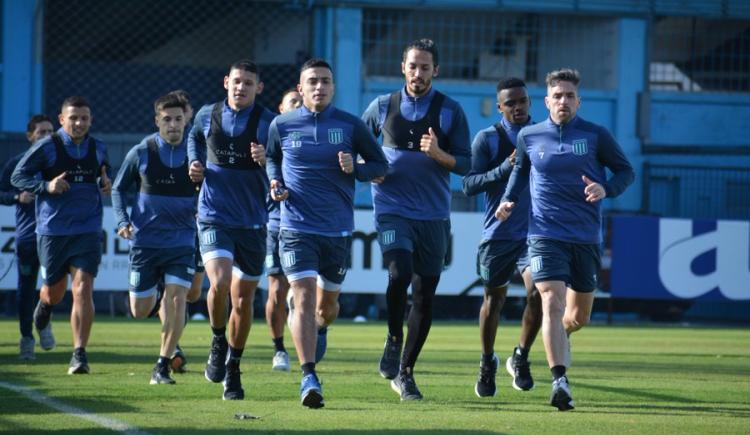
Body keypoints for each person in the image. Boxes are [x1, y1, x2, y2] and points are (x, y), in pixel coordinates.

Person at [496, 68, 634, 411]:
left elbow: (626, 171)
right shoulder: (529, 136)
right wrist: (508, 200)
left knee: (576, 318)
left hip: (585, 237)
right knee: (551, 303)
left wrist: (606, 188)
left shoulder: (596, 135)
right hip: (544, 234)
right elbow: (520, 171)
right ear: (546, 101)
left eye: (569, 96)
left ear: (578, 101)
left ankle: (527, 351)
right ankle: (560, 382)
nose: (563, 101)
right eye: (557, 96)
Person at [267, 58, 387, 408]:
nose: (319, 87)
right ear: (300, 88)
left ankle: (319, 328)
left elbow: (381, 165)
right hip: (295, 227)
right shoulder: (282, 124)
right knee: (302, 296)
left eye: (325, 81)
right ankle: (308, 375)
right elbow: (273, 158)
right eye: (312, 81)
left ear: (333, 87)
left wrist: (358, 169)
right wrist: (275, 181)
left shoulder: (350, 126)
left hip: (336, 231)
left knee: (326, 306)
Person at [362, 38, 471, 400]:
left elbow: (468, 164)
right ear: (402, 68)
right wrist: (369, 169)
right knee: (399, 273)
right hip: (393, 210)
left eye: (425, 67)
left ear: (435, 71)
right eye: (413, 66)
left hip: (434, 216)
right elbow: (354, 149)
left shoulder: (450, 111)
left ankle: (405, 372)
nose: (418, 73)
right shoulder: (381, 107)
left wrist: (440, 154)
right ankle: (394, 337)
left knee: (425, 297)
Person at [188, 59, 275, 400]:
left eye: (248, 83)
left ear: (259, 88)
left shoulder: (269, 123)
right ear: (226, 82)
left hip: (253, 220)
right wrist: (194, 163)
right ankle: (216, 339)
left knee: (244, 298)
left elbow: (281, 161)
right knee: (221, 281)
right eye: (237, 81)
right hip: (213, 215)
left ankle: (234, 367)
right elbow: (194, 138)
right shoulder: (206, 115)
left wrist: (267, 158)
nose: (241, 88)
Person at [12, 96, 111, 375]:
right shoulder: (47, 147)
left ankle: (79, 354)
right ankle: (44, 305)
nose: (79, 123)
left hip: (88, 228)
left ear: (91, 120)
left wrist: (106, 180)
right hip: (53, 230)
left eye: (84, 118)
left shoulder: (99, 147)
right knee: (54, 292)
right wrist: (46, 185)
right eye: (73, 118)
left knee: (83, 286)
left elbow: (105, 169)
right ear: (62, 119)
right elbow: (18, 177)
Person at [462, 78, 542, 397]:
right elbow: (468, 185)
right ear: (500, 107)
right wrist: (505, 167)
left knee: (538, 292)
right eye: (511, 103)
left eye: (522, 101)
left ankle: (521, 356)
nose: (518, 107)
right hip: (498, 234)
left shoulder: (543, 136)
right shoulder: (487, 140)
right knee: (493, 301)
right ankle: (487, 361)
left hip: (536, 233)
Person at [112, 93, 197, 385]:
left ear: (186, 119)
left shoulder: (196, 152)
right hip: (146, 242)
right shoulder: (142, 151)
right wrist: (123, 221)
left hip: (182, 241)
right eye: (167, 119)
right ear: (156, 121)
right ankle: (162, 310)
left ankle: (161, 365)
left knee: (178, 298)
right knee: (140, 310)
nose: (173, 125)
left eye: (178, 119)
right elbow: (118, 189)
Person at [0, 114, 55, 360]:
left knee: (55, 285)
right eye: (41, 132)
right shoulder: (16, 164)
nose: (46, 136)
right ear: (30, 136)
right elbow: (1, 192)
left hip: (55, 234)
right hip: (27, 236)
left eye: (50, 132)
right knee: (25, 287)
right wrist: (16, 197)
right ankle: (26, 337)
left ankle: (42, 320)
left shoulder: (57, 162)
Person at [264, 88, 302, 372]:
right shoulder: (271, 138)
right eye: (293, 102)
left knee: (309, 294)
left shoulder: (316, 136)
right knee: (276, 290)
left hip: (308, 226)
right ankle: (279, 349)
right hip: (277, 224)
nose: (298, 106)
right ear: (280, 108)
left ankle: (313, 335)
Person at [165, 89, 199, 374]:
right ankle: (171, 349)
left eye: (184, 112)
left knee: (191, 293)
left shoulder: (199, 141)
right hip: (169, 232)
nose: (181, 118)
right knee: (173, 291)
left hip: (199, 226)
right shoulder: (161, 145)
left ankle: (172, 341)